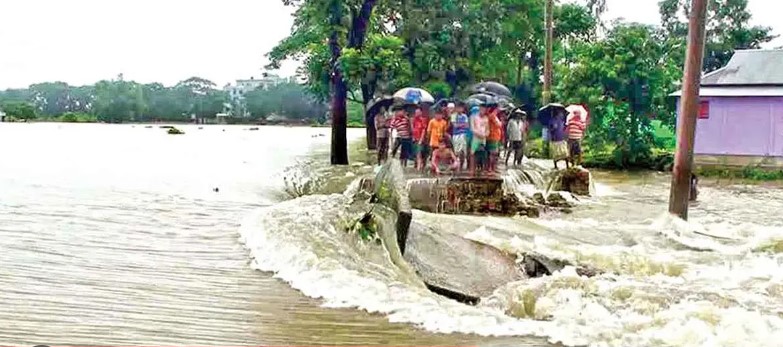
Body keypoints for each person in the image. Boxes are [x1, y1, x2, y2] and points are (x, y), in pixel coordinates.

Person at [470, 104, 490, 175]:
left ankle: (483, 169)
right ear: (479, 109)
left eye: (484, 110)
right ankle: (472, 169)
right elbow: (472, 128)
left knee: (482, 154)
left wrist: (486, 134)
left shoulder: (486, 118)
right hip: (476, 137)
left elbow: (488, 129)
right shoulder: (474, 117)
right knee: (473, 153)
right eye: (481, 109)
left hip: (483, 138)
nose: (483, 111)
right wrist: (479, 134)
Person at [450, 104, 471, 171]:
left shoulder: (465, 116)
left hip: (464, 135)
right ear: (456, 108)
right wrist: (462, 125)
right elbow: (455, 126)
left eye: (461, 108)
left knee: (463, 151)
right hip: (456, 135)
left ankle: (461, 166)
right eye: (458, 108)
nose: (460, 109)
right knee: (457, 151)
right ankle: (457, 165)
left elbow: (467, 126)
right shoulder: (453, 116)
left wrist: (460, 125)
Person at [486, 103, 504, 172]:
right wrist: (502, 121)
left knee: (491, 153)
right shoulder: (493, 116)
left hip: (493, 136)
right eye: (498, 108)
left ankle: (491, 167)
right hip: (493, 137)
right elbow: (499, 125)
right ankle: (490, 168)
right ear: (496, 108)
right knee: (492, 152)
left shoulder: (492, 116)